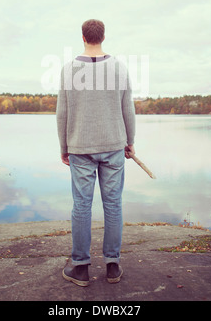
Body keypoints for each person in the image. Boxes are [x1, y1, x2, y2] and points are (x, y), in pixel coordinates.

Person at [56, 19, 136, 287]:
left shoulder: (69, 70)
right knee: (113, 205)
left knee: (82, 206)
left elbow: (62, 113)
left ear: (82, 37)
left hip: (80, 147)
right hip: (113, 145)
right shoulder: (119, 68)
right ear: (103, 36)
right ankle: (112, 267)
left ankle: (80, 269)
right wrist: (130, 140)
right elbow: (128, 109)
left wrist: (63, 147)